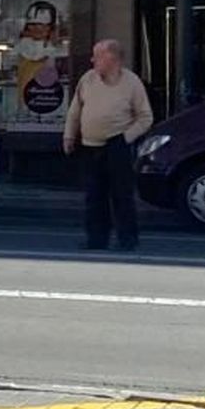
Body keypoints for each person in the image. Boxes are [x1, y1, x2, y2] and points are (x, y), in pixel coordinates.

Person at [63, 39, 153, 252]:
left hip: (117, 145)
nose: (92, 60)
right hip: (89, 145)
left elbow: (145, 117)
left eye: (97, 55)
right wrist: (69, 136)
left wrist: (125, 138)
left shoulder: (132, 83)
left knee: (122, 196)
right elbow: (75, 111)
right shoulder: (88, 79)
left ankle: (127, 239)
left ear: (111, 58)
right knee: (94, 196)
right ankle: (96, 239)